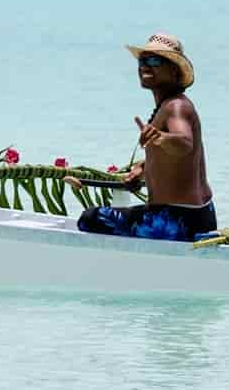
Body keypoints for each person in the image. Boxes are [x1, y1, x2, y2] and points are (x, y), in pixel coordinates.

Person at [70, 32, 216, 241]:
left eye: (155, 60)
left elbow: (184, 143)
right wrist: (143, 168)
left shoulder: (176, 106)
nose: (145, 66)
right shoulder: (169, 106)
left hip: (177, 219)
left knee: (90, 218)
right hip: (198, 216)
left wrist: (161, 137)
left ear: (174, 71)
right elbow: (178, 159)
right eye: (142, 60)